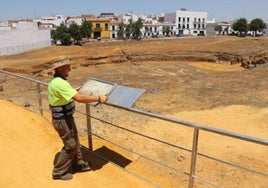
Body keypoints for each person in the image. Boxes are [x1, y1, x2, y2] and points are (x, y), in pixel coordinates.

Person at [48, 59, 108, 180]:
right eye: (67, 67)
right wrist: (98, 98)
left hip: (65, 118)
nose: (70, 69)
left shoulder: (57, 81)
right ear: (60, 69)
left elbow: (66, 95)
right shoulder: (60, 83)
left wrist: (74, 90)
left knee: (75, 140)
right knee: (71, 145)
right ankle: (58, 173)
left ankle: (77, 164)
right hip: (62, 120)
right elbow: (79, 98)